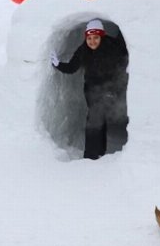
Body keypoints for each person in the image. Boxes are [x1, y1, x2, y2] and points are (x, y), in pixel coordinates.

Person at [50, 19, 129, 160]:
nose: (92, 41)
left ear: (102, 36)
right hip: (91, 90)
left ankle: (91, 155)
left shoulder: (112, 47)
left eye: (96, 38)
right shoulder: (83, 49)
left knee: (94, 120)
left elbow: (122, 63)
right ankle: (99, 151)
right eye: (89, 38)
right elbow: (72, 67)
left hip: (108, 90)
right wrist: (58, 64)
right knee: (98, 119)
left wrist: (114, 89)